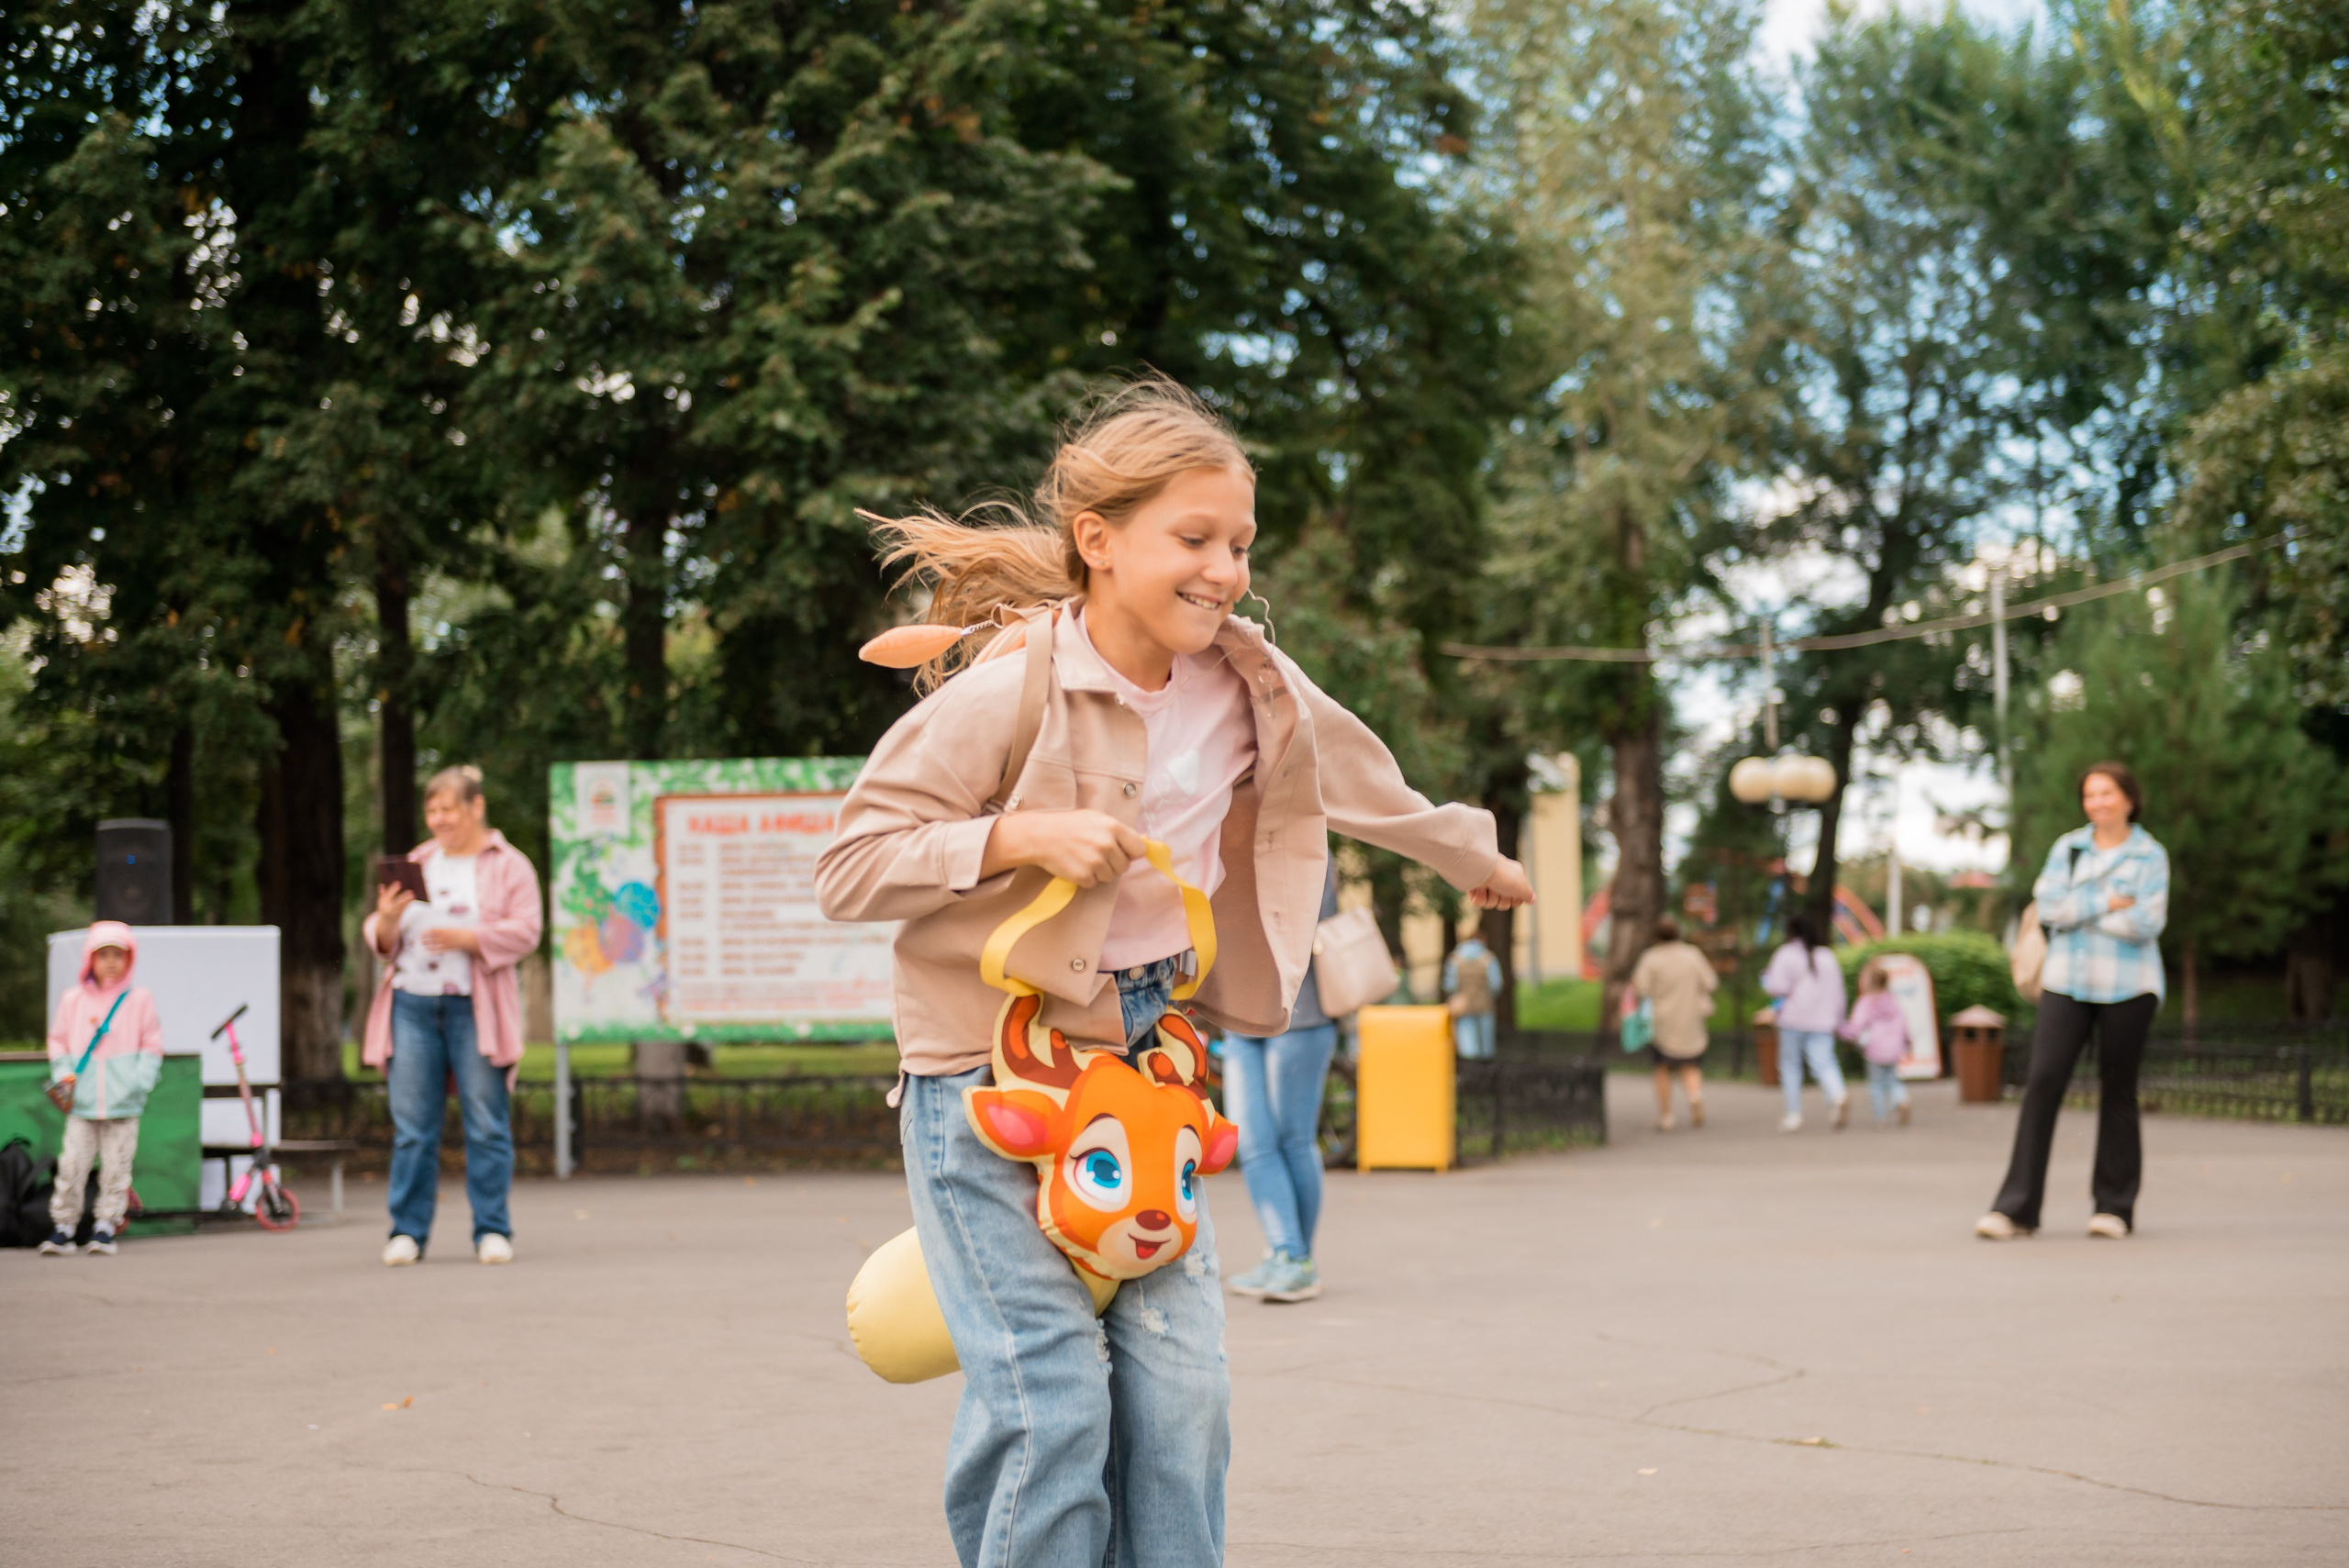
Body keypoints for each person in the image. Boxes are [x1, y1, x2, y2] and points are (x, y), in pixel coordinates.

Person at [814, 379, 1533, 1568]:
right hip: (991, 1067)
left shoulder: (1251, 683)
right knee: (1050, 1399)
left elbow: (1362, 776)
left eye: (1240, 543)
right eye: (1194, 539)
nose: (1225, 569)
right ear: (1098, 541)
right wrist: (1014, 837)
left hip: (1145, 1062)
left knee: (1183, 1393)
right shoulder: (1016, 688)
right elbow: (851, 864)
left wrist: (1470, 855)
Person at [362, 765, 544, 1266]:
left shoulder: (508, 865)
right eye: (432, 810)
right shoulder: (419, 861)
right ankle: (407, 1233)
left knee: (486, 1122)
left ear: (476, 807)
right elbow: (379, 938)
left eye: (448, 809)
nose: (438, 819)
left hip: (475, 1008)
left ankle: (492, 1229)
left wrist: (470, 939)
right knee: (413, 1127)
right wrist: (388, 920)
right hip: (413, 1004)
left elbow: (528, 931)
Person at [1979, 762, 2168, 1240]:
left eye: (2107, 793)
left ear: (2128, 798)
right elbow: (2049, 908)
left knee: (2118, 1090)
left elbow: (2146, 923)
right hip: (2066, 982)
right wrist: (2107, 902)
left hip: (2130, 985)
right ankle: (2016, 1209)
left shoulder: (2150, 855)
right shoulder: (2069, 848)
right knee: (2042, 1083)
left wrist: (2078, 910)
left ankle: (2114, 1207)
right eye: (2090, 795)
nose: (2098, 803)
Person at [1222, 862, 1341, 1304]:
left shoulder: (1306, 844)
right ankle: (1287, 1255)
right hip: (1240, 1021)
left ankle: (1294, 1257)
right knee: (1253, 1142)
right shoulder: (1222, 836)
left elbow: (1303, 921)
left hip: (1300, 1016)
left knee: (1293, 1140)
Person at [39, 922, 165, 1255]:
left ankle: (105, 1226)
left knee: (116, 1168)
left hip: (123, 1104)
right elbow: (58, 1040)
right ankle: (64, 1227)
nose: (110, 962)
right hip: (81, 1102)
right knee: (72, 1166)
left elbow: (152, 1044)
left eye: (118, 955)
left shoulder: (139, 999)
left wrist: (139, 1083)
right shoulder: (72, 999)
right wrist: (64, 1073)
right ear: (89, 959)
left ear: (129, 959)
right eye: (103, 955)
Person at [1761, 911, 1848, 1132]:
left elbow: (1776, 987)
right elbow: (1839, 992)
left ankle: (1794, 1114)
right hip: (1824, 1020)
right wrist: (1839, 1019)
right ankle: (1837, 1094)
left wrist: (1767, 980)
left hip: (1793, 1019)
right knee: (1824, 1061)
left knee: (1790, 1066)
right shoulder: (1827, 956)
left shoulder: (1786, 955)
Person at [1628, 917, 1718, 1131]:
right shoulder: (1692, 954)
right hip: (1690, 1018)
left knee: (1662, 1067)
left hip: (1662, 1021)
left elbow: (1640, 988)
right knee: (1690, 1063)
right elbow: (1711, 982)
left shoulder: (1651, 958)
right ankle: (1695, 1096)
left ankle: (1666, 1115)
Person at [1839, 958, 1912, 1128]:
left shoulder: (1866, 1003)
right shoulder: (1894, 1002)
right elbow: (1904, 1024)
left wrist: (1841, 1031)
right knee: (1892, 1080)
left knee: (1876, 1085)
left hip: (1875, 1049)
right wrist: (1908, 1042)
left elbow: (1855, 1027)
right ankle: (1901, 1099)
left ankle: (1880, 1118)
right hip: (1894, 1048)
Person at [1443, 928, 1502, 1060]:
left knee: (1468, 1045)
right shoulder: (1488, 958)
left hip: (1463, 1004)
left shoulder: (1455, 959)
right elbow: (1496, 984)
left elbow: (1449, 985)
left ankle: (1470, 1071)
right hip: (1485, 1003)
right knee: (1486, 1044)